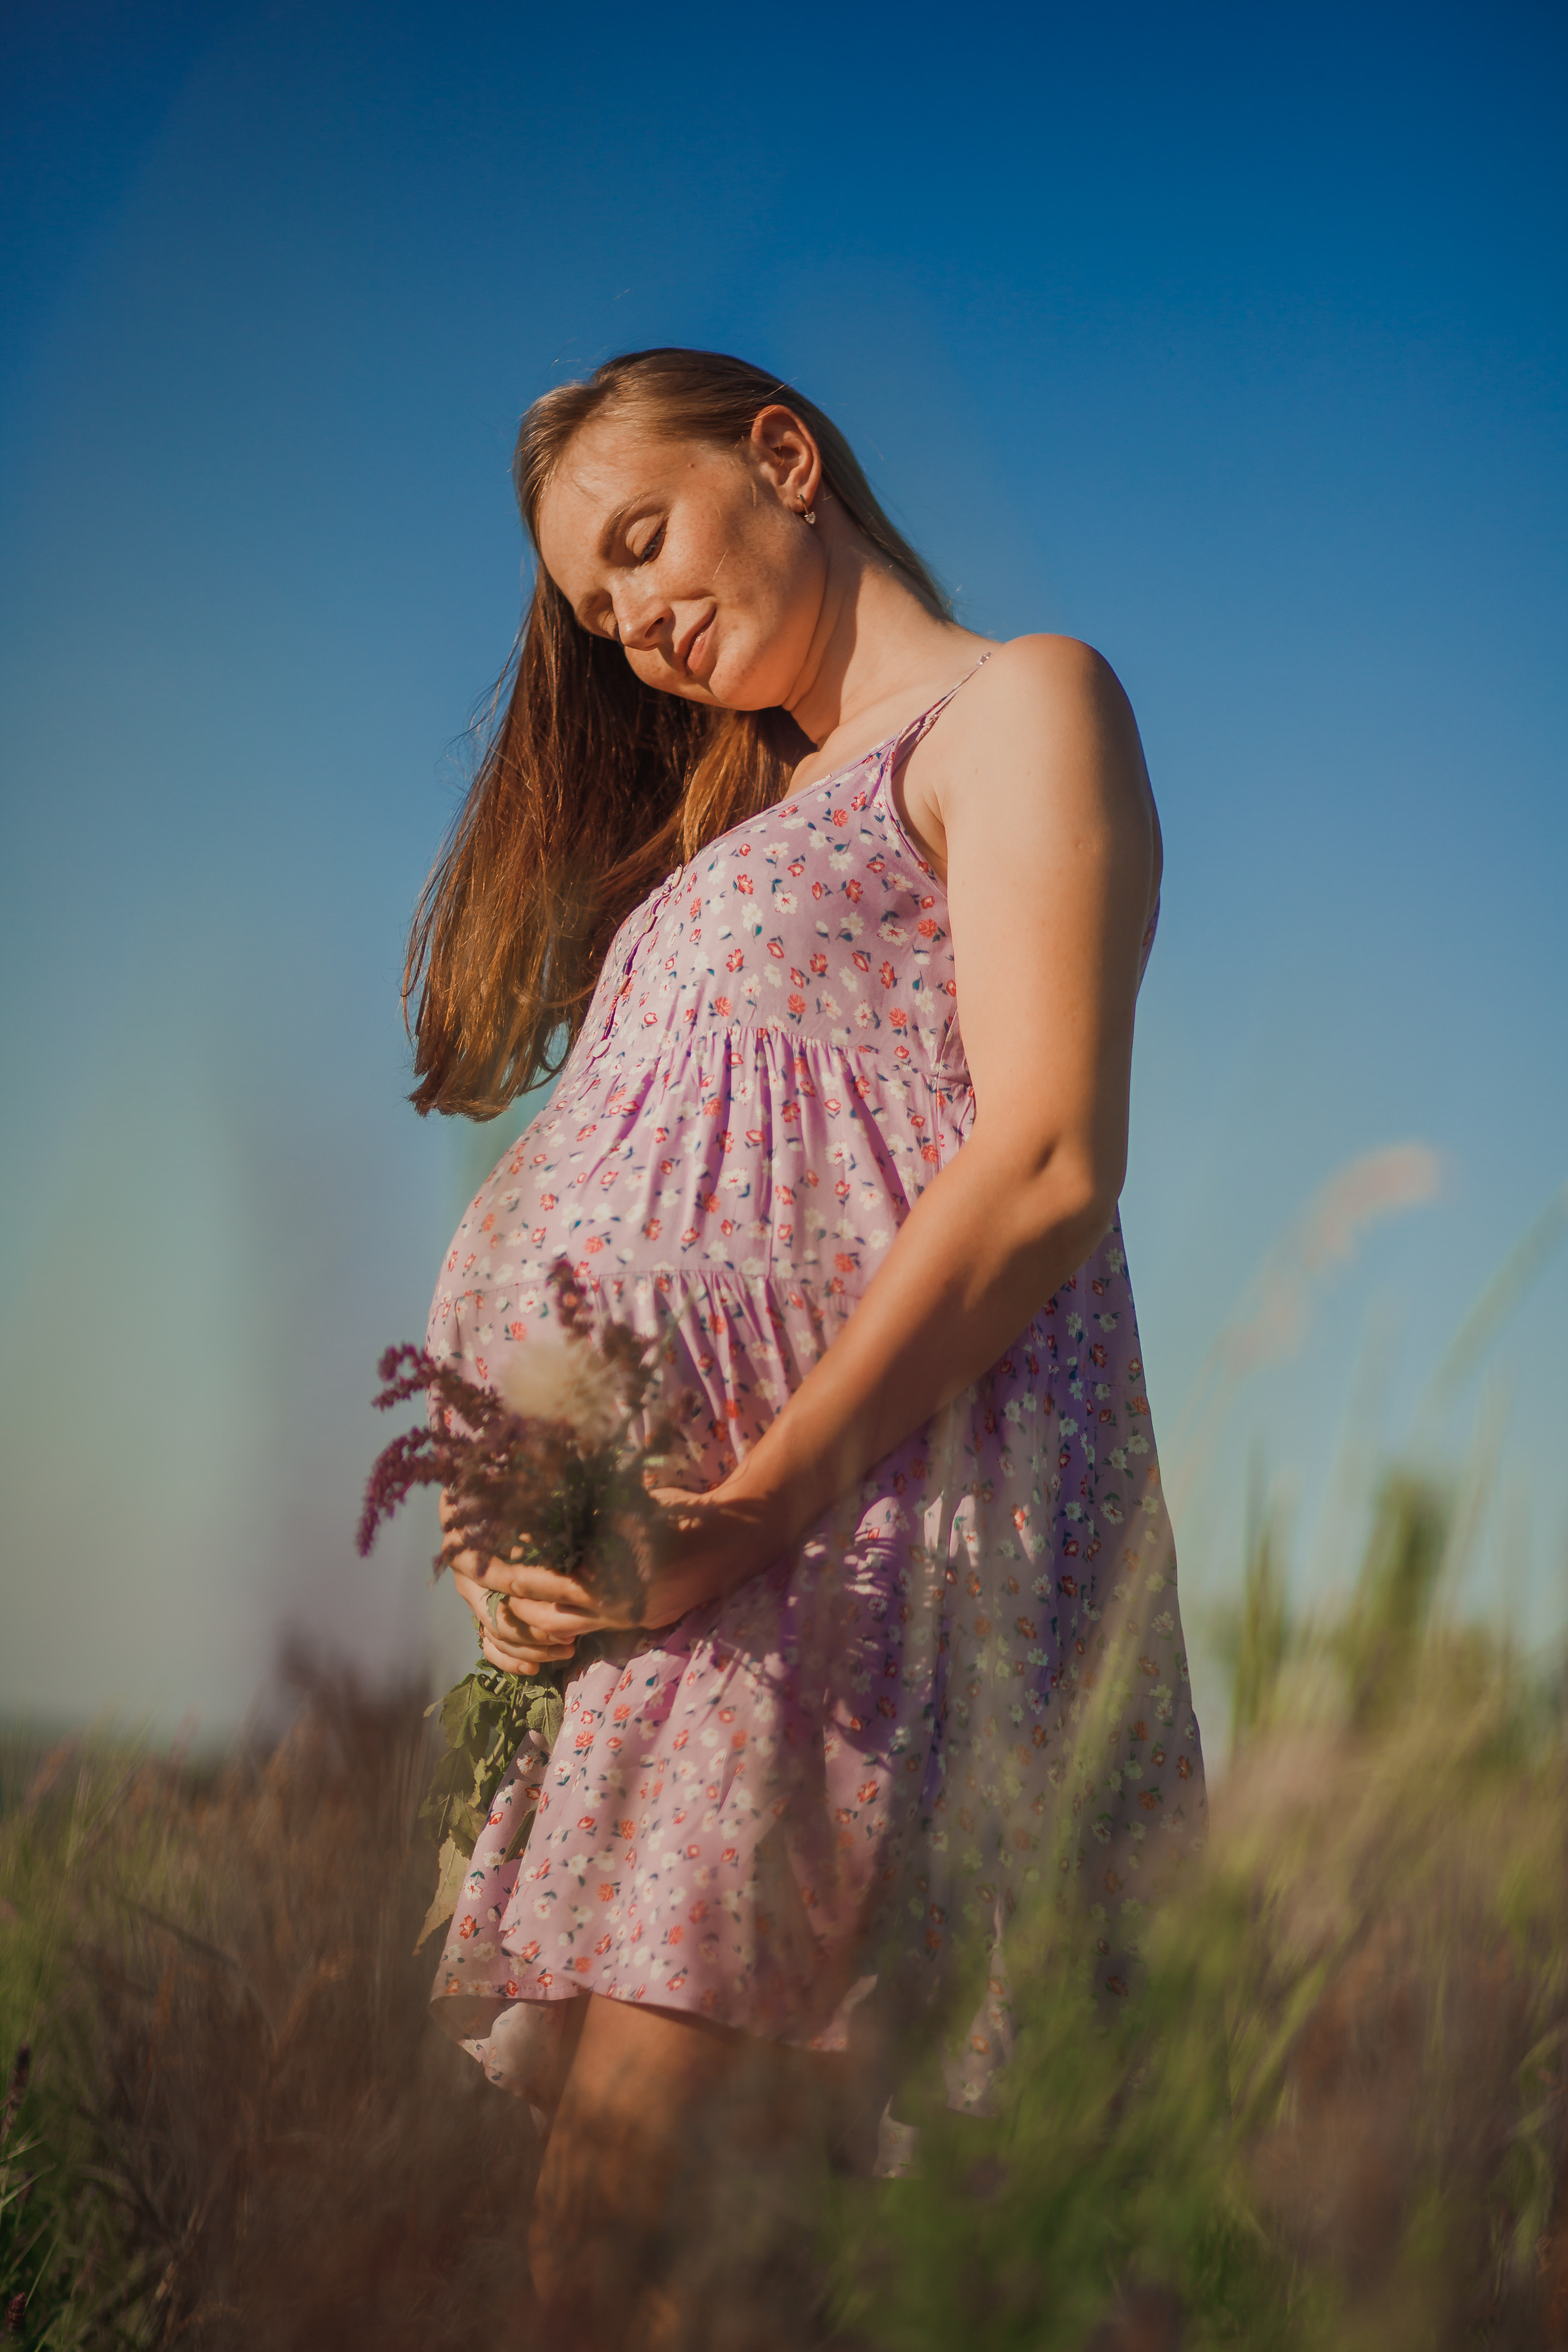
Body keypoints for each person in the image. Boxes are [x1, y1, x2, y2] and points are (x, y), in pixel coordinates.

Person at [408, 347, 1205, 2343]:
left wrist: (746, 1511)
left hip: (871, 1562)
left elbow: (1040, 1159)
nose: (639, 623)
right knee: (640, 2255)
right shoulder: (715, 856)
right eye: (600, 611)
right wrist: (529, 1532)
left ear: (787, 453)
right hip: (703, 1590)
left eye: (645, 543)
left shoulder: (1019, 704)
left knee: (666, 2238)